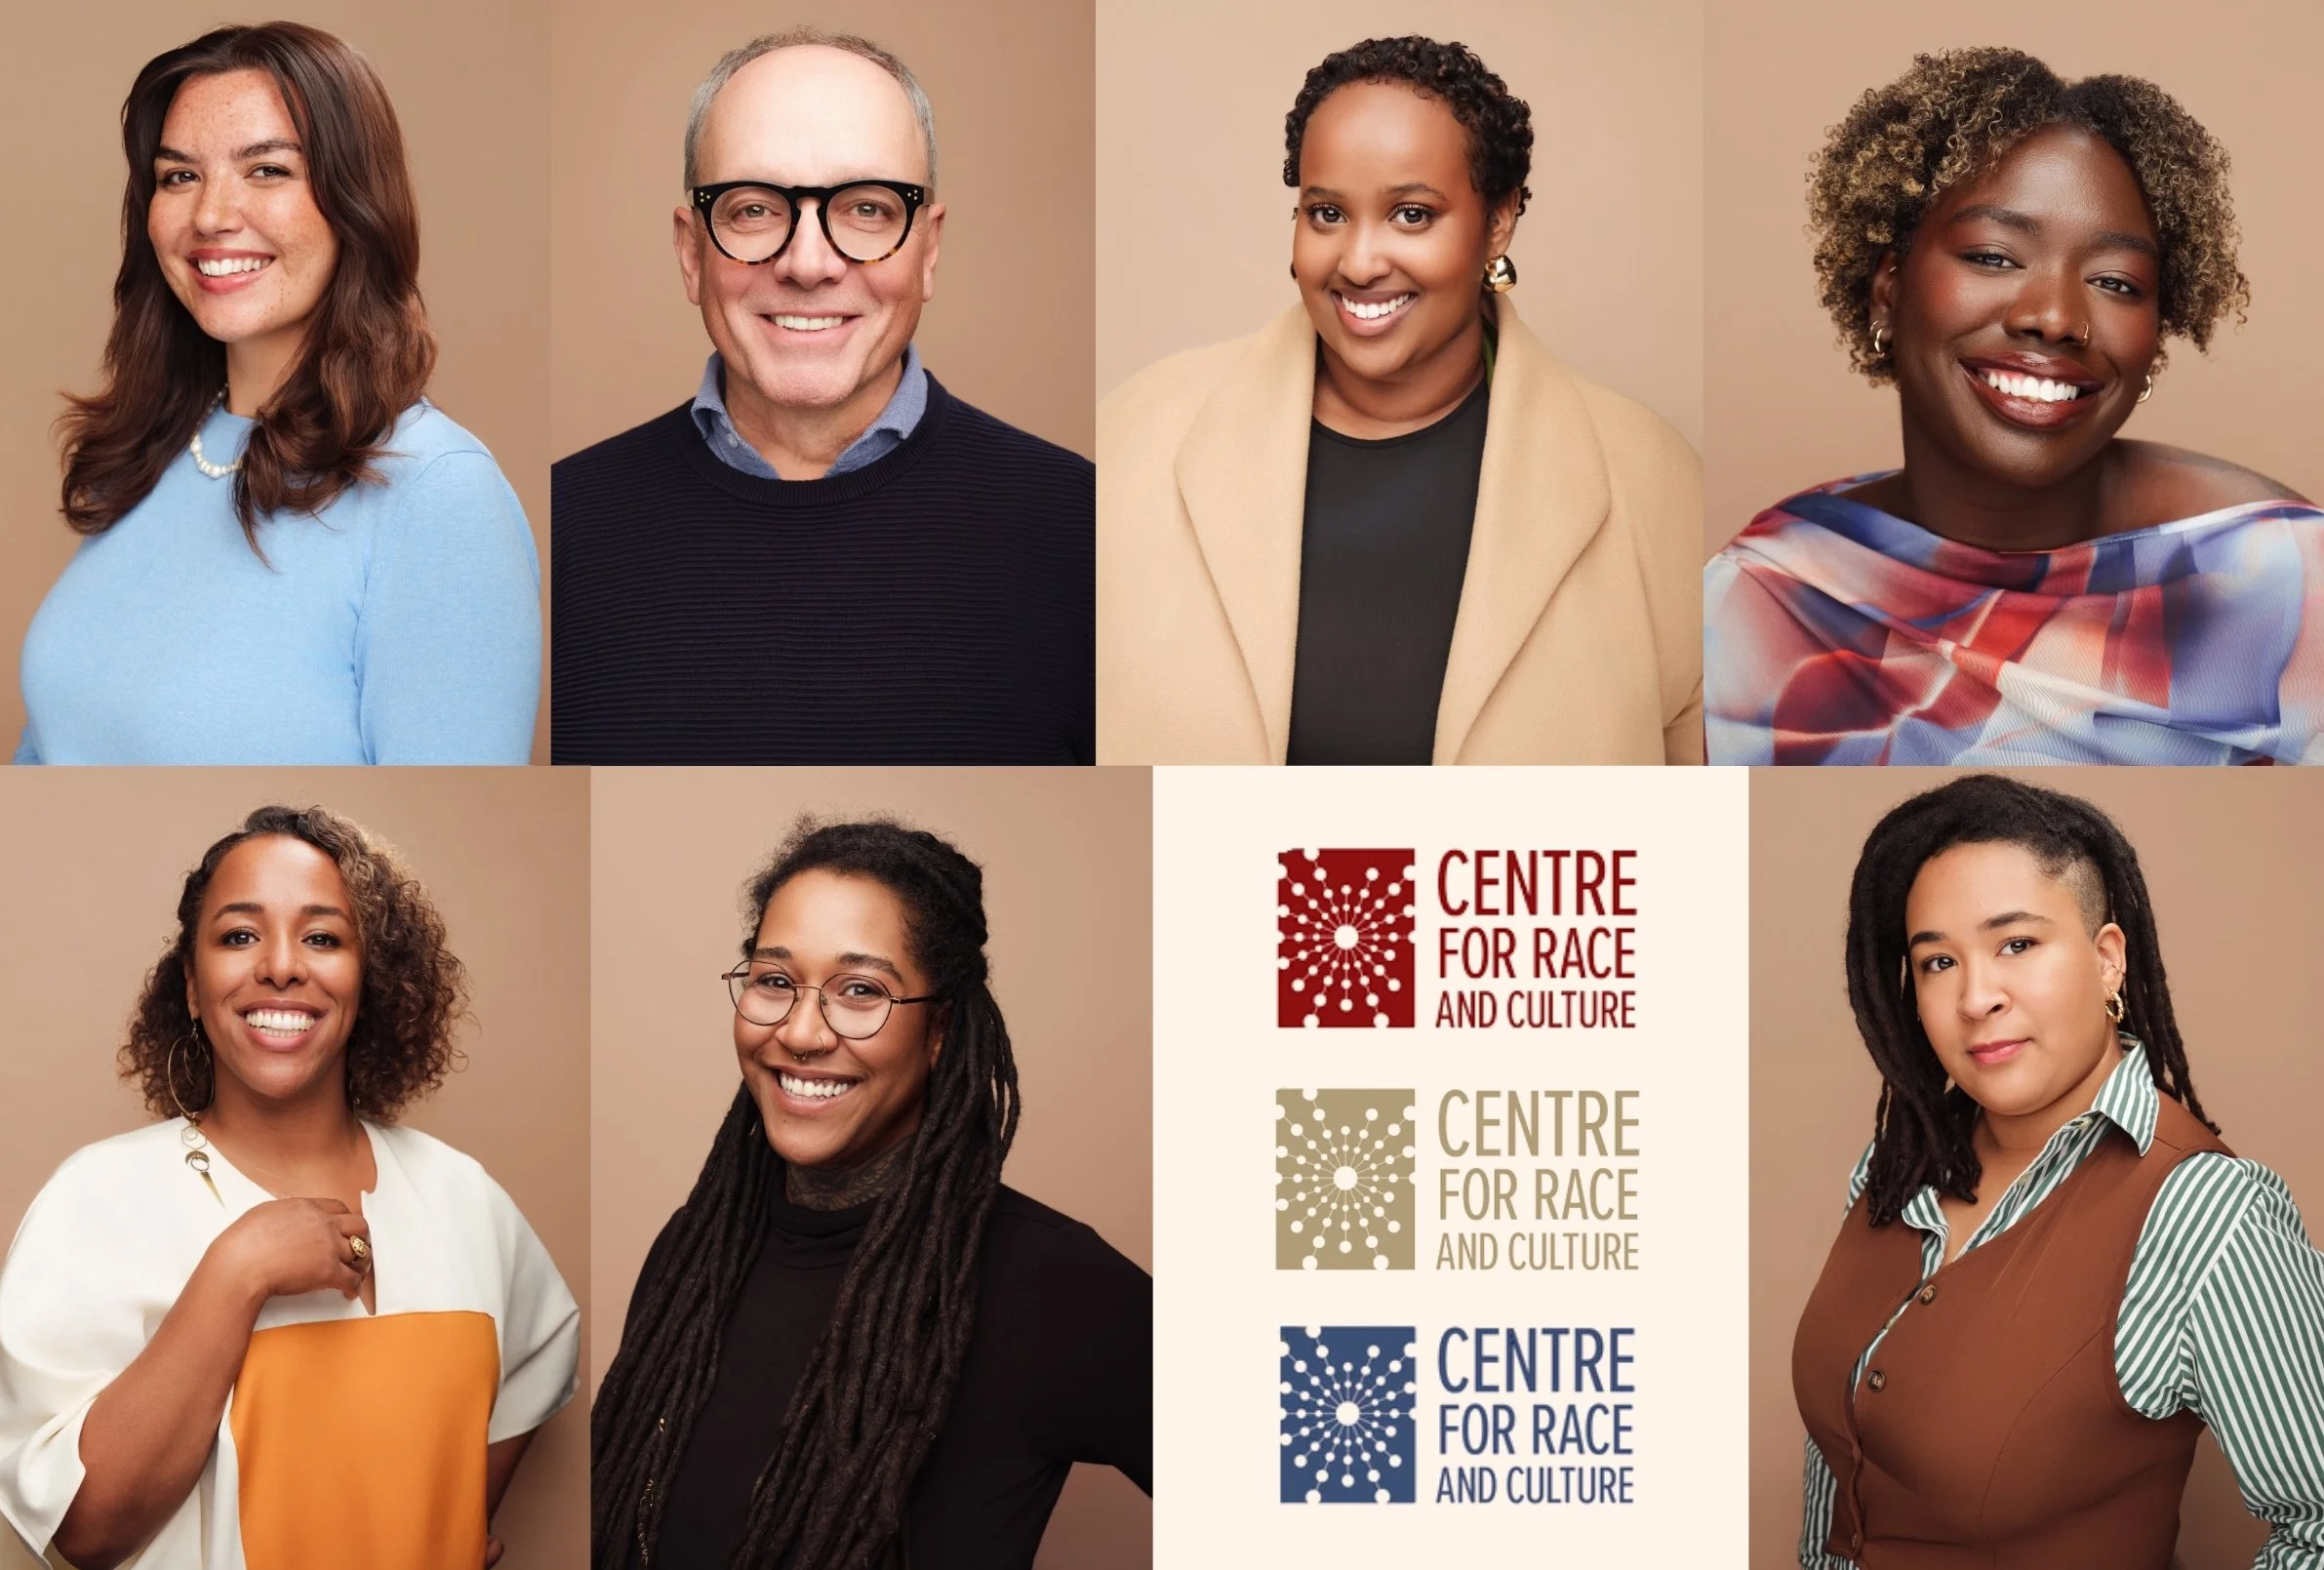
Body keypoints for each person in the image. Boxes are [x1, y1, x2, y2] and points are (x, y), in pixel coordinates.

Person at [1706, 49, 2324, 766]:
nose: (2056, 317)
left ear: (2156, 336)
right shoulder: (1763, 597)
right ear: (1888, 290)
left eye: (2117, 283)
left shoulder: (2285, 582)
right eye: (1995, 257)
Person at [1098, 35, 1702, 765]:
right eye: (1326, 214)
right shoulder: (1135, 436)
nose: (1358, 261)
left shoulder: (1655, 480)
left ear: (1499, 221)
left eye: (1412, 215)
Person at [0, 806, 579, 1567]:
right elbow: (83, 1530)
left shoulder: (462, 1195)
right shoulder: (96, 1200)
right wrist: (238, 1269)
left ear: (368, 979)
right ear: (191, 981)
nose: (280, 965)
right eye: (240, 934)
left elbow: (540, 1355)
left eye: (323, 937)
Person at [1790, 775, 2324, 1567]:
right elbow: (1841, 1467)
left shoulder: (2207, 1212)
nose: (1976, 997)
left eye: (2017, 943)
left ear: (2108, 960)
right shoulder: (1893, 1170)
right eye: (1938, 961)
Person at [591, 821, 1149, 1568]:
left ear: (941, 1029)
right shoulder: (693, 1254)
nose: (801, 1031)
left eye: (861, 990)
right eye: (774, 980)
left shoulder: (1049, 1283)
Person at [550, 31, 1094, 766]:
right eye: (753, 210)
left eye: (868, 209)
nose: (809, 263)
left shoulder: (1087, 527)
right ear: (691, 253)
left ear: (928, 249)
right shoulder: (561, 522)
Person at [17, 23, 541, 765]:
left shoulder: (437, 494)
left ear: (356, 200)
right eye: (178, 176)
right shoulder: (155, 451)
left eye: (267, 171)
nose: (210, 215)